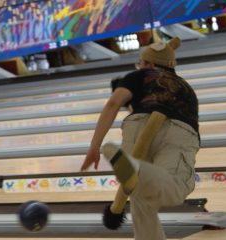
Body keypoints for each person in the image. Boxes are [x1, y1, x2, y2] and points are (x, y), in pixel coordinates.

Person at [80, 37, 200, 240]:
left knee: (141, 195)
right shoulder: (185, 88)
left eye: (140, 62)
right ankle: (138, 171)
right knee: (172, 188)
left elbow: (113, 103)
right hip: (179, 129)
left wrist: (94, 147)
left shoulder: (138, 76)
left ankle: (136, 170)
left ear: (149, 64)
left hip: (136, 125)